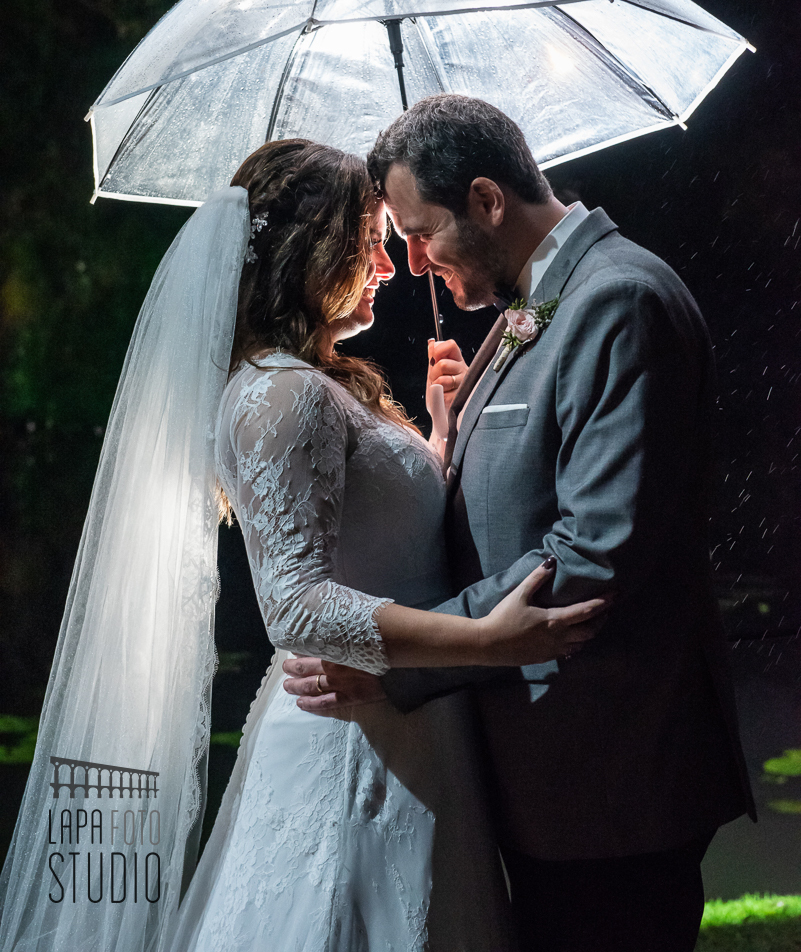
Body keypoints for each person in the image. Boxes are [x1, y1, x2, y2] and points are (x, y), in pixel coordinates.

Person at [0, 136, 608, 952]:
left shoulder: (316, 380)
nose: (392, 268)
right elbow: (296, 605)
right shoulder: (283, 394)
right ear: (308, 249)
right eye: (369, 245)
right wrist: (487, 642)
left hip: (411, 728)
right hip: (350, 738)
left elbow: (379, 532)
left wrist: (438, 431)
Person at [283, 97, 757, 952]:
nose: (417, 265)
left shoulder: (619, 300)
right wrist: (454, 425)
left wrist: (409, 657)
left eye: (423, 233)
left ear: (488, 200)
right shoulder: (531, 306)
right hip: (546, 774)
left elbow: (593, 553)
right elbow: (519, 487)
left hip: (609, 773)